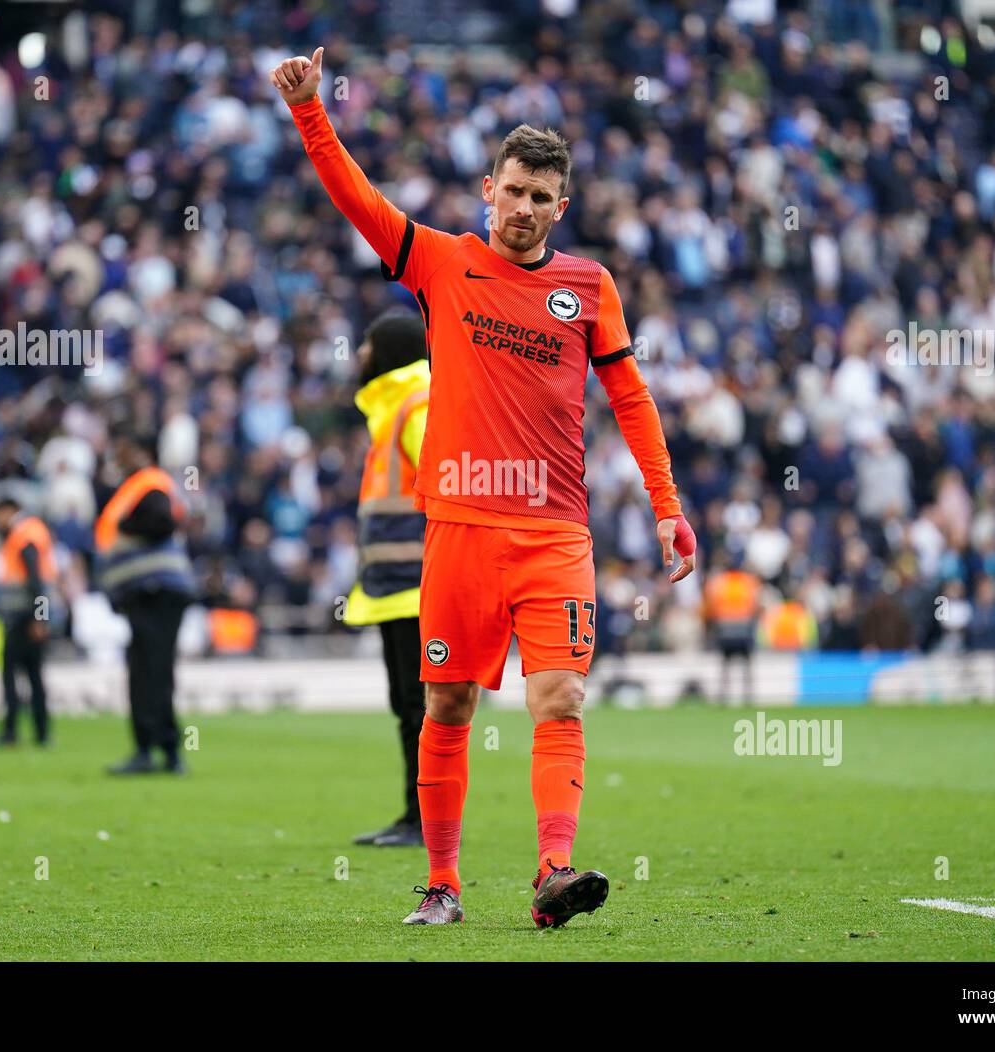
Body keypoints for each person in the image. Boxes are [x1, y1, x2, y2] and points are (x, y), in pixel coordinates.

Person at [272, 48, 697, 927]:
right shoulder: (441, 262)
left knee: (562, 697)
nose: (525, 208)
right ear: (488, 190)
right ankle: (442, 886)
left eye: (542, 197)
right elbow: (357, 199)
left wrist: (666, 507)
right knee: (448, 703)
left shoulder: (591, 288)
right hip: (459, 527)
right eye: (514, 191)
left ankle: (553, 873)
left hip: (554, 535)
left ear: (560, 206)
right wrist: (312, 111)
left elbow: (632, 398)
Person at [344, 312, 431, 848]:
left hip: (418, 584)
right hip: (396, 585)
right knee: (408, 707)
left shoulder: (414, 406)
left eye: (367, 344)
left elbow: (450, 482)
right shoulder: (394, 410)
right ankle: (413, 816)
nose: (359, 354)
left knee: (420, 709)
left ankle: (424, 821)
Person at [95, 434, 195, 775]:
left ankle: (156, 749)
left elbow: (162, 521)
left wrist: (127, 525)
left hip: (156, 589)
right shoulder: (138, 487)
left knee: (150, 671)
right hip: (150, 592)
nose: (120, 458)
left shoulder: (148, 484)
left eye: (126, 450)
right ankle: (161, 749)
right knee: (151, 669)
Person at [0, 497, 55, 746]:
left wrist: (40, 618)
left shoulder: (24, 533)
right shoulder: (31, 531)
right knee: (34, 675)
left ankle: (11, 731)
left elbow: (36, 580)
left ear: (9, 511)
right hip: (31, 617)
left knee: (12, 672)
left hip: (24, 618)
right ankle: (42, 732)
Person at [703, 554, 761, 703]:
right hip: (744, 629)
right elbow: (756, 606)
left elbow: (710, 607)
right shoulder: (749, 582)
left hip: (725, 629)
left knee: (725, 665)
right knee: (746, 664)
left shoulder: (718, 582)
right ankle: (748, 696)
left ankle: (723, 696)